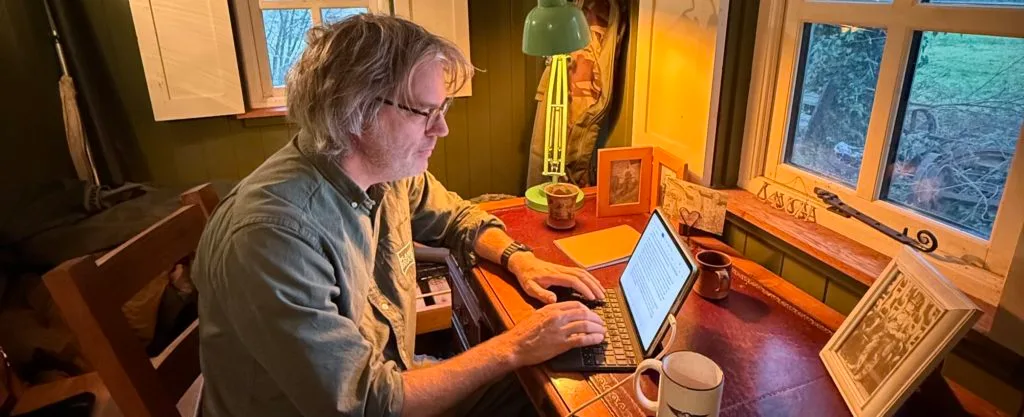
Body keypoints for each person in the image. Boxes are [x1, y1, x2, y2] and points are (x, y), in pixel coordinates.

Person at [192, 13, 607, 417]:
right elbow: (369, 404)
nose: (441, 129)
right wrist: (515, 345)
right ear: (355, 111)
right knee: (545, 388)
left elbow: (457, 217)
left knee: (543, 383)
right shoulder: (272, 237)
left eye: (443, 109)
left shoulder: (383, 171)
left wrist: (520, 258)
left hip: (391, 376)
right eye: (425, 112)